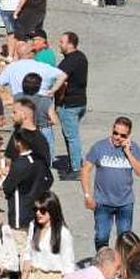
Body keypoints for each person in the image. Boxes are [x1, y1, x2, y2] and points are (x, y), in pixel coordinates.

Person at [81, 116, 140, 250]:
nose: (118, 137)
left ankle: (122, 262)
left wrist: (128, 153)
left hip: (125, 202)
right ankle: (103, 261)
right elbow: (85, 170)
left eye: (122, 135)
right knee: (101, 236)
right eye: (115, 133)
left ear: (129, 135)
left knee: (125, 239)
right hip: (102, 202)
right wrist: (87, 195)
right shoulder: (99, 147)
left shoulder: (134, 148)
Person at [55, 32, 89, 177]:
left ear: (70, 44)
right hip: (80, 102)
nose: (59, 44)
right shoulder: (81, 57)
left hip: (69, 104)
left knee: (72, 136)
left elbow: (61, 79)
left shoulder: (70, 61)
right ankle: (74, 163)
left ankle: (76, 169)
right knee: (70, 134)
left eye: (62, 42)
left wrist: (51, 91)